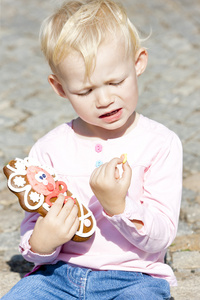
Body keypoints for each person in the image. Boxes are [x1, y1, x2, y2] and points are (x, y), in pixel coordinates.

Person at [2, 0, 182, 299]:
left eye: (115, 81)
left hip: (135, 278)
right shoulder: (50, 148)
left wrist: (118, 206)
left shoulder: (160, 143)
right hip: (56, 277)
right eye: (85, 91)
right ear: (60, 88)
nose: (104, 99)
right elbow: (34, 236)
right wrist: (43, 242)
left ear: (138, 63)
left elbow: (161, 236)